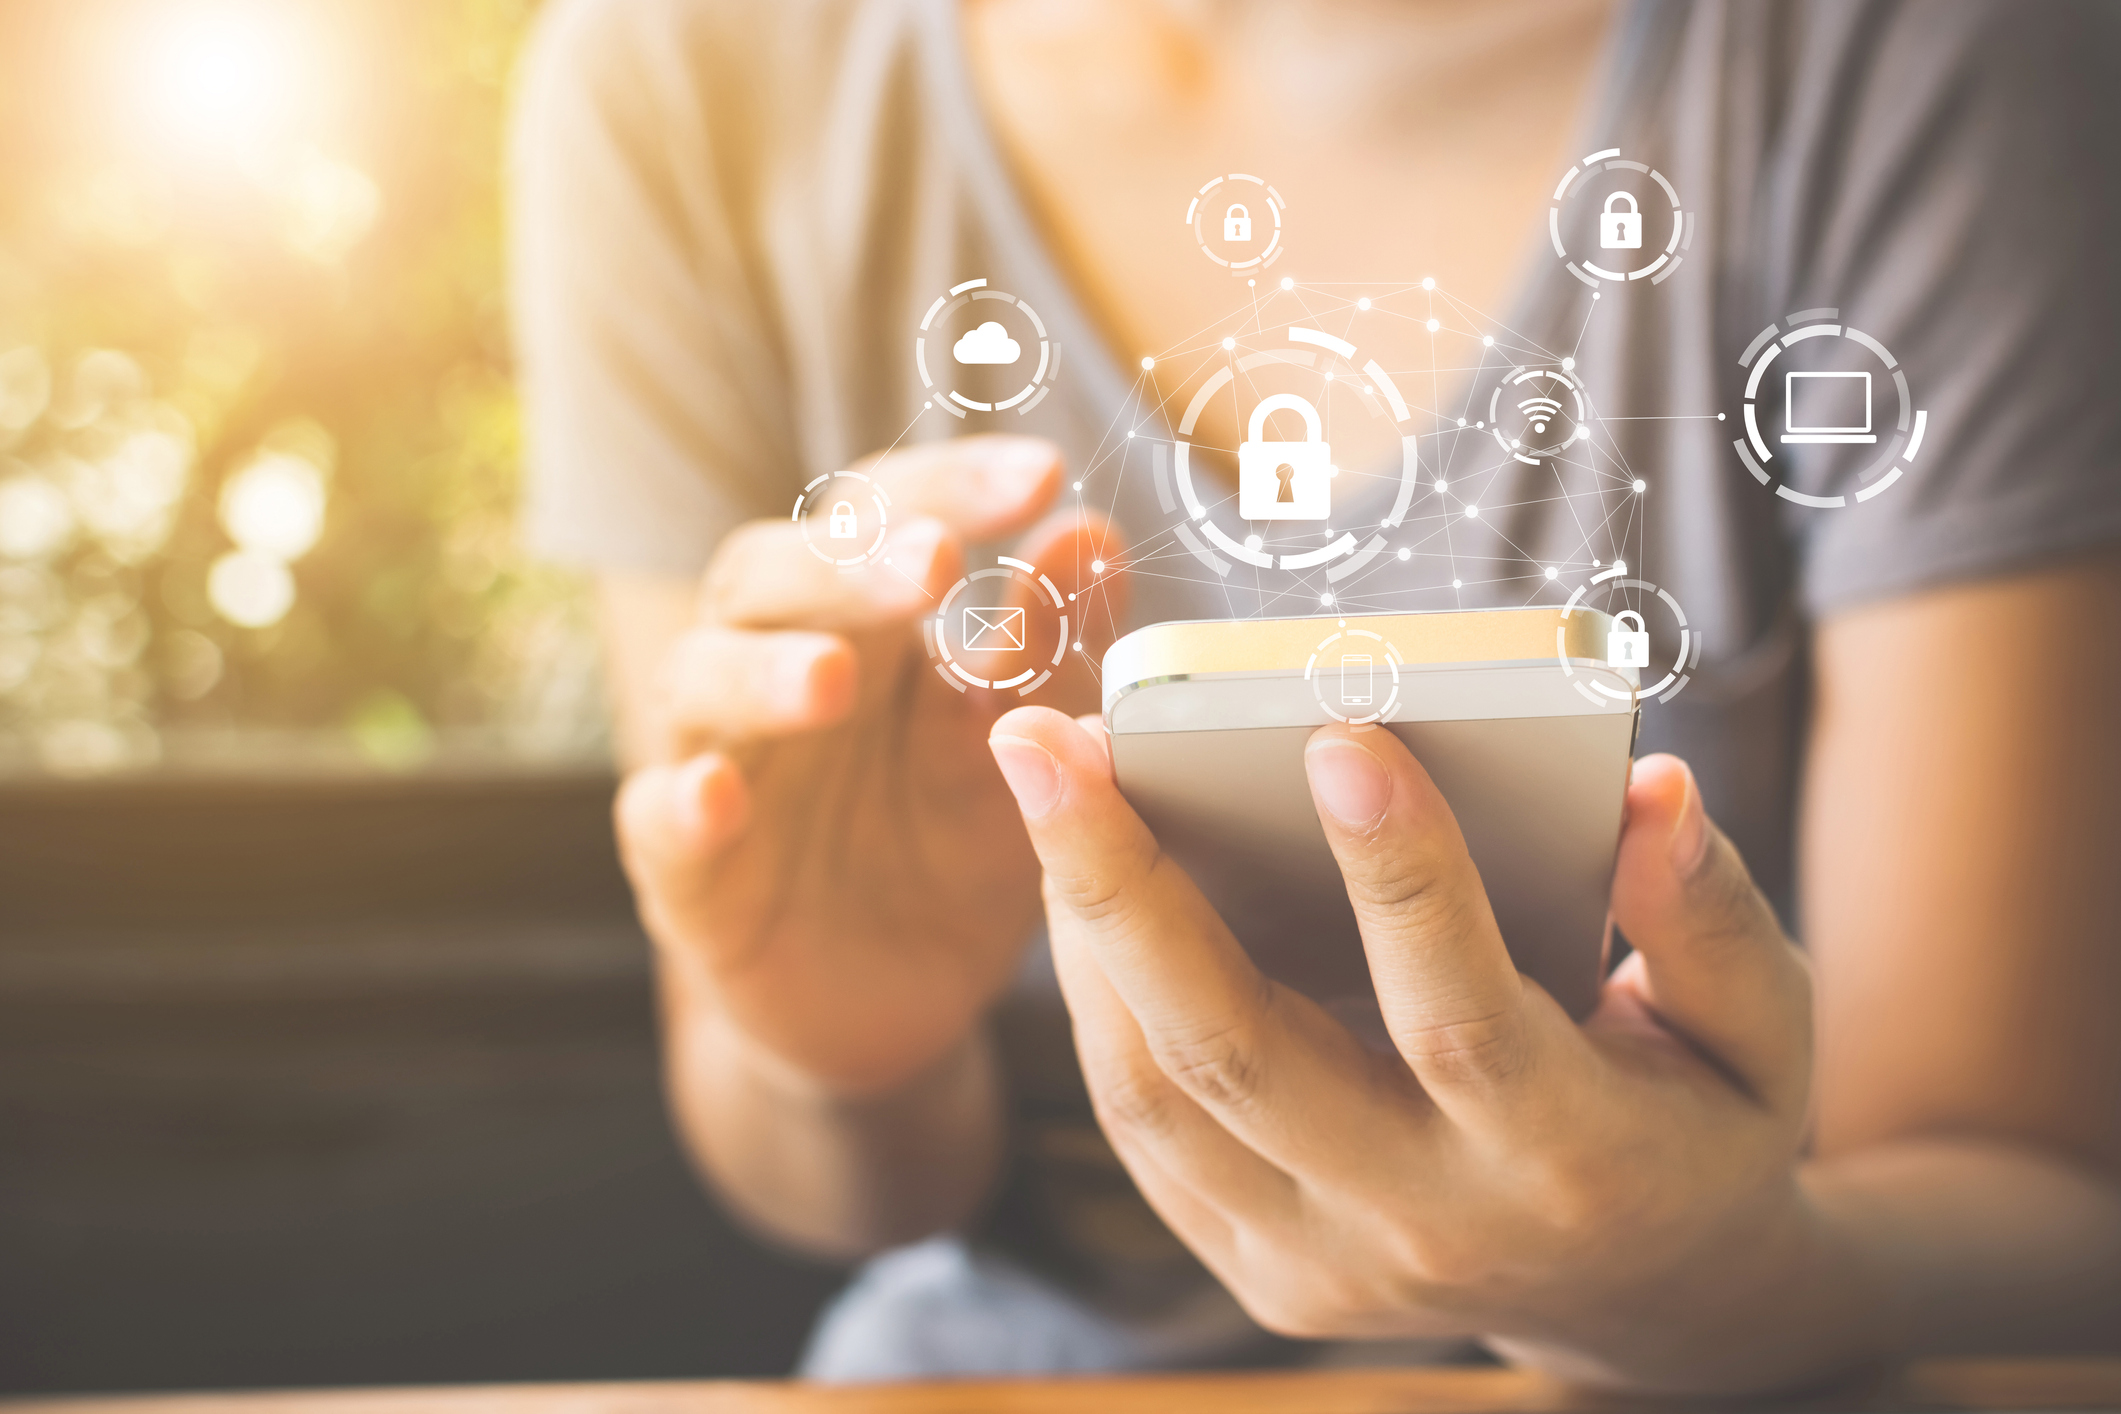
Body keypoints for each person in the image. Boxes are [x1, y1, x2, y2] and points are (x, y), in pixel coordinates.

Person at [508, 0, 2121, 1392]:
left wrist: (1706, 1289)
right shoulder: (687, 77)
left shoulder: (1923, 56)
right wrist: (840, 1054)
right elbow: (817, 1176)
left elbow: (2039, 1202)